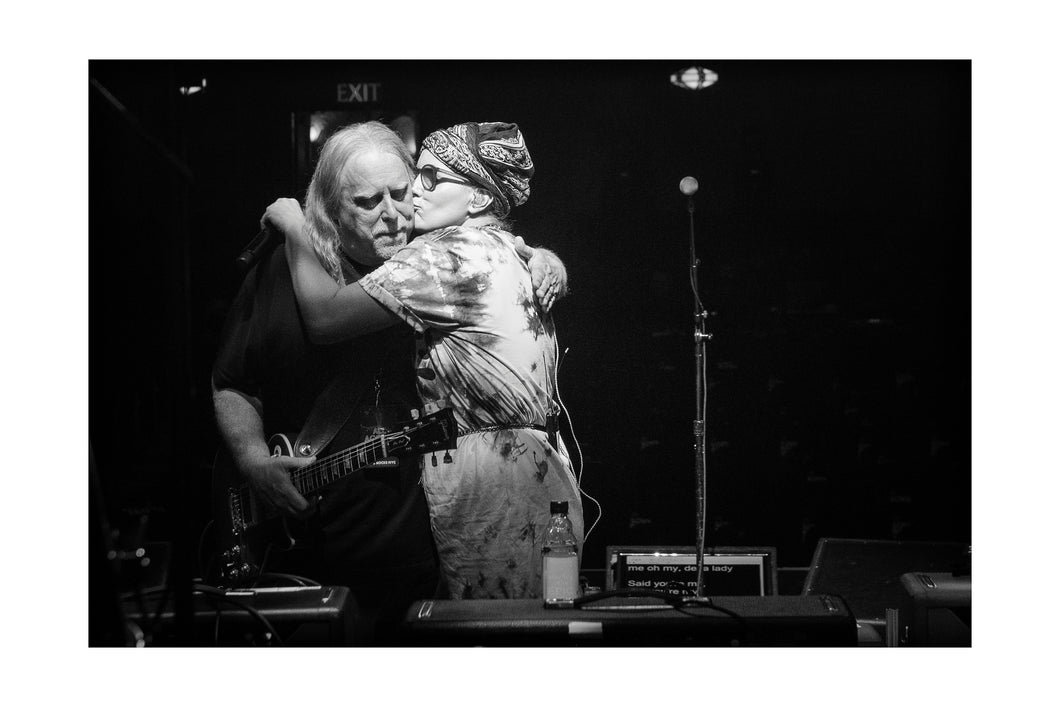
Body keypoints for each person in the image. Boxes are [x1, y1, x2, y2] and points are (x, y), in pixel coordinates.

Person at [213, 121, 568, 638]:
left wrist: (546, 258)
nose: (394, 213)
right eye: (367, 201)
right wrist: (251, 459)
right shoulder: (278, 273)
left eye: (403, 192)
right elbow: (230, 383)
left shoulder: (431, 254)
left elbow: (493, 236)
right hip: (299, 547)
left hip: (417, 555)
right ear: (331, 209)